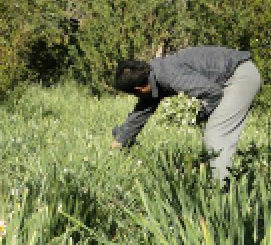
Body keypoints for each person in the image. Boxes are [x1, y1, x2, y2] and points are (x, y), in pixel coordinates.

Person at [110, 46, 261, 184]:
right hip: (231, 76)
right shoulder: (151, 74)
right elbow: (143, 109)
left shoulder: (170, 75)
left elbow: (213, 93)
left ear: (139, 89)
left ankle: (221, 191)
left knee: (216, 134)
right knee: (214, 133)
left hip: (240, 76)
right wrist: (120, 141)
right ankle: (222, 178)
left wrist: (199, 115)